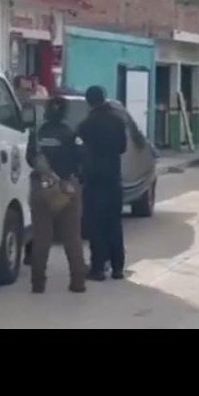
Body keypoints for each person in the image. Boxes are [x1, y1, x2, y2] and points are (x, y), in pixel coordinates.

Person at [25, 95, 87, 294]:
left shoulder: (37, 134)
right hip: (66, 188)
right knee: (72, 238)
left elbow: (30, 158)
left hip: (42, 187)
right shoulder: (71, 134)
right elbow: (82, 158)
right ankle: (78, 282)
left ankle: (38, 284)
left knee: (41, 239)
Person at [77, 86, 128, 281]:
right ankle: (118, 267)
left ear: (88, 102)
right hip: (113, 179)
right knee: (114, 223)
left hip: (94, 181)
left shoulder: (86, 125)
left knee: (96, 225)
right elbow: (122, 148)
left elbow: (79, 150)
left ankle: (98, 268)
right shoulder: (117, 121)